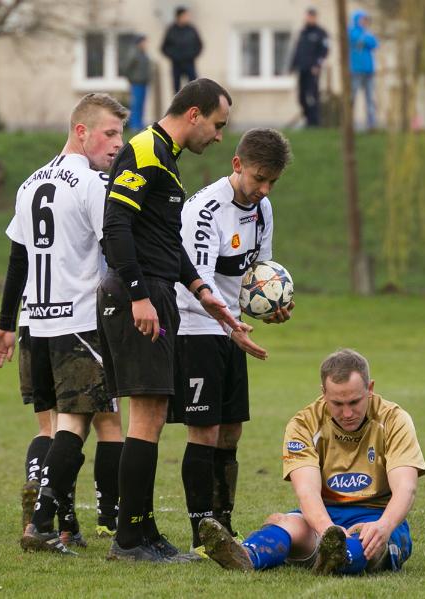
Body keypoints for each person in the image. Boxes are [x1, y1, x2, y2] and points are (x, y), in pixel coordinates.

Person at [98, 78, 244, 562]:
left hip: (158, 290)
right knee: (145, 415)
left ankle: (143, 533)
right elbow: (115, 225)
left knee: (153, 414)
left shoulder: (164, 156)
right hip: (139, 294)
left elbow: (164, 240)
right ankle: (129, 539)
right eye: (218, 125)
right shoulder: (144, 150)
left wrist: (203, 291)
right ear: (195, 114)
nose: (220, 137)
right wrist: (139, 294)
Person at [0, 93, 129, 553]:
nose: (117, 145)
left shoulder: (29, 184)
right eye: (109, 134)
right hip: (79, 322)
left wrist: (6, 324)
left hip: (35, 324)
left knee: (51, 426)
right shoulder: (90, 185)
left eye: (121, 135)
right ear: (81, 132)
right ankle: (50, 520)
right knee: (83, 423)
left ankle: (64, 523)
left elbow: (17, 259)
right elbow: (114, 250)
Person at [169, 128, 294, 556]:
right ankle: (200, 535)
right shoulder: (205, 210)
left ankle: (223, 527)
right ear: (236, 165)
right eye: (259, 178)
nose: (264, 189)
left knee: (231, 432)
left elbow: (259, 274)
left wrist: (269, 307)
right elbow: (196, 283)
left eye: (271, 182)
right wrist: (233, 325)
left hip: (231, 330)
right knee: (203, 431)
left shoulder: (263, 209)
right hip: (195, 326)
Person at [200, 349, 425, 576]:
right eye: (337, 403)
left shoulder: (394, 419)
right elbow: (306, 490)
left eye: (354, 402)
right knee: (288, 524)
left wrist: (384, 526)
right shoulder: (304, 423)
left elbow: (406, 486)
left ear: (370, 389)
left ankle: (341, 557)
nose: (347, 412)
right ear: (323, 393)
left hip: (375, 515)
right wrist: (327, 529)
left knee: (369, 541)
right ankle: (246, 556)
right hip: (324, 515)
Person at [290, 8, 329, 128]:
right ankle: (308, 120)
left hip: (313, 70)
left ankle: (315, 122)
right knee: (301, 97)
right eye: (307, 16)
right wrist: (292, 66)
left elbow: (324, 51)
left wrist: (317, 65)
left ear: (315, 17)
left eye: (310, 16)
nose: (308, 18)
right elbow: (297, 50)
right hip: (302, 69)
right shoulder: (303, 32)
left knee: (312, 96)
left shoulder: (321, 33)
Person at [349, 10, 379, 131]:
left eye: (366, 20)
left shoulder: (367, 33)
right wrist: (366, 38)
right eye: (363, 19)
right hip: (356, 70)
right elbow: (359, 40)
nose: (365, 22)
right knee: (352, 97)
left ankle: (371, 123)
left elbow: (374, 44)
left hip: (369, 70)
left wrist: (366, 38)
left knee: (370, 97)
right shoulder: (351, 32)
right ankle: (349, 123)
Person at [161, 7, 203, 94]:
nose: (187, 17)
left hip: (189, 63)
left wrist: (191, 55)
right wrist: (174, 56)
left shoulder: (192, 29)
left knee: (193, 87)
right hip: (176, 64)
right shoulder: (171, 30)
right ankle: (178, 106)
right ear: (179, 16)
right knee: (176, 90)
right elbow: (164, 48)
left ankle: (192, 105)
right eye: (185, 16)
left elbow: (199, 45)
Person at [122, 35, 151, 131]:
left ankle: (140, 123)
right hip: (136, 83)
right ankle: (134, 125)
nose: (145, 44)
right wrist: (131, 80)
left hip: (144, 83)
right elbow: (127, 68)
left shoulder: (144, 54)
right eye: (144, 42)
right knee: (136, 104)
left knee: (142, 104)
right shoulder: (134, 54)